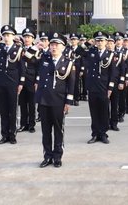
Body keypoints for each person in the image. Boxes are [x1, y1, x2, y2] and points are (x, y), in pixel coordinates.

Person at [35, 33, 75, 168]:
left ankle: (57, 156)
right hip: (44, 100)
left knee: (58, 130)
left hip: (59, 101)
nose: (54, 47)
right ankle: (47, 156)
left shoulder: (68, 63)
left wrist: (68, 102)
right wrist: (35, 47)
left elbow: (71, 84)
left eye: (56, 45)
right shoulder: (44, 59)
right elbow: (28, 58)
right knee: (45, 131)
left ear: (63, 47)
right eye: (52, 45)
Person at [0, 25, 24, 144]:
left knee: (12, 109)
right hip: (0, 82)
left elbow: (22, 68)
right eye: (4, 35)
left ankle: (12, 135)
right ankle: (4, 135)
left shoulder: (18, 49)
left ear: (13, 36)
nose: (6, 37)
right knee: (3, 110)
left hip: (12, 83)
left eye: (9, 35)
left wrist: (21, 82)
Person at [78, 31, 116, 144]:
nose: (100, 42)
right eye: (98, 40)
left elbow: (113, 73)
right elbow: (77, 51)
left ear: (106, 42)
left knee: (104, 111)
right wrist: (87, 43)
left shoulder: (110, 55)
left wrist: (110, 88)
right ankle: (95, 134)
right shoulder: (91, 52)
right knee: (94, 111)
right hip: (92, 86)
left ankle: (103, 134)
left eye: (102, 40)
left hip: (104, 87)